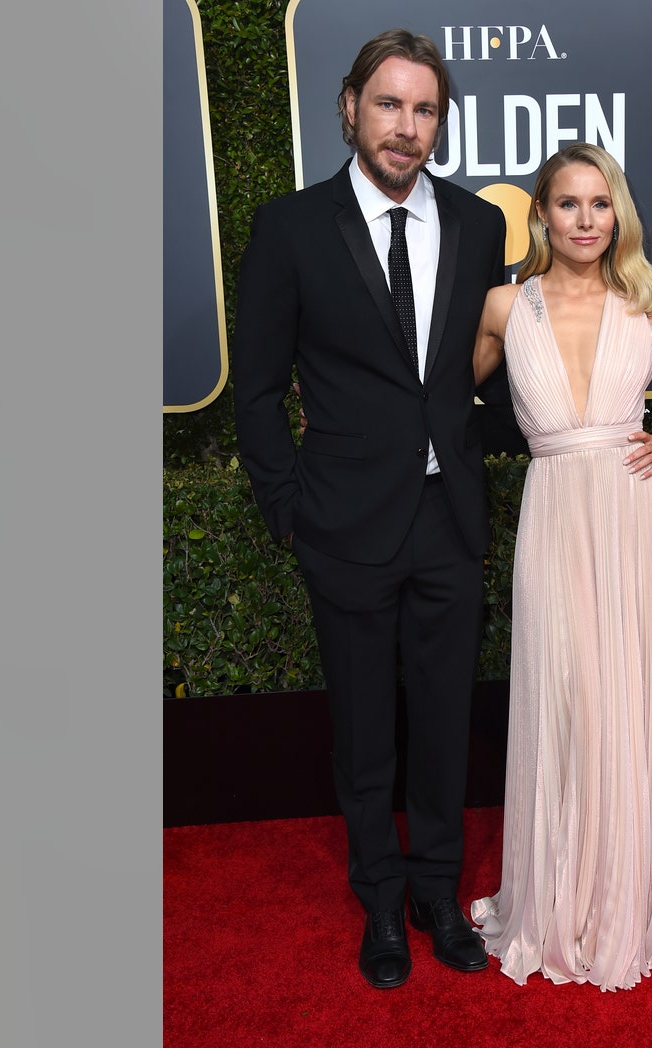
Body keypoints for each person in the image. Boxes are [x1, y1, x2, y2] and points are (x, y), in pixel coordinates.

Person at [231, 29, 508, 990]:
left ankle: (437, 891)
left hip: (448, 518)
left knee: (441, 721)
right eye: (388, 104)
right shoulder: (290, 228)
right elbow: (256, 391)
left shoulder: (479, 228)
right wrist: (289, 512)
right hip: (341, 523)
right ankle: (380, 900)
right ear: (348, 107)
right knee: (363, 732)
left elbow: (496, 368)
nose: (406, 127)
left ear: (441, 123)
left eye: (425, 109)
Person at [469, 143, 652, 990]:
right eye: (566, 204)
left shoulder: (646, 303)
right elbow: (444, 400)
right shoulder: (503, 306)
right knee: (569, 694)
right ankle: (563, 891)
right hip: (554, 514)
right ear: (541, 215)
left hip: (633, 517)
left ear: (615, 213)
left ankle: (633, 885)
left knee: (629, 691)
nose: (584, 221)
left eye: (599, 204)